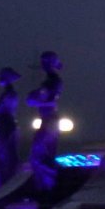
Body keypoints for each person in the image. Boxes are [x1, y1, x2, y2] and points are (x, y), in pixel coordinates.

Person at [27, 51, 64, 192]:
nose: (42, 64)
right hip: (48, 119)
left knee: (39, 155)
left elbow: (49, 100)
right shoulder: (51, 81)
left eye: (44, 61)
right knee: (42, 154)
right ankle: (47, 186)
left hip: (50, 120)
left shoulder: (53, 81)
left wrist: (35, 100)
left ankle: (49, 186)